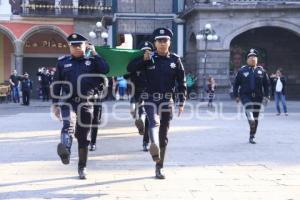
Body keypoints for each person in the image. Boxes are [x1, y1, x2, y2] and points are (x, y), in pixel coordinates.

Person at [127, 28, 186, 179]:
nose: (162, 43)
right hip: (150, 98)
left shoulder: (175, 59)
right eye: (159, 41)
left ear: (169, 42)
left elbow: (181, 81)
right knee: (153, 121)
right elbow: (130, 69)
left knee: (164, 135)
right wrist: (143, 59)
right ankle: (153, 145)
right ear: (155, 43)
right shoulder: (148, 58)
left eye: (165, 40)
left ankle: (159, 167)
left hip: (167, 100)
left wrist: (181, 101)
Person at [51, 33, 109, 179]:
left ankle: (82, 168)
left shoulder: (93, 61)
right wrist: (55, 104)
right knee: (68, 124)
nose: (76, 48)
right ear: (69, 47)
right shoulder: (63, 62)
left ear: (85, 46)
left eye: (79, 45)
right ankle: (66, 151)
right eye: (73, 45)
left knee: (84, 137)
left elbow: (105, 69)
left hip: (86, 103)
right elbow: (56, 84)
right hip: (68, 102)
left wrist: (95, 53)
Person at [234, 49, 270, 144]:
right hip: (245, 95)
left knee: (256, 118)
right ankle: (250, 117)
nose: (252, 58)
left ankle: (252, 136)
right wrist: (236, 95)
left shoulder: (262, 71)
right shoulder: (242, 71)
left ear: (257, 59)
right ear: (247, 59)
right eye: (250, 57)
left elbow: (266, 85)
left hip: (258, 97)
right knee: (248, 107)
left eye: (254, 57)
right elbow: (236, 84)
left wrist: (267, 96)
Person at [126, 41, 154, 151]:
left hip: (150, 91)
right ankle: (140, 123)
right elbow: (127, 71)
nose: (146, 53)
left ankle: (145, 142)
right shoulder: (135, 62)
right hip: (135, 91)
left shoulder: (154, 61)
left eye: (149, 51)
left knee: (147, 116)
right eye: (144, 51)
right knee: (137, 111)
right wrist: (142, 60)